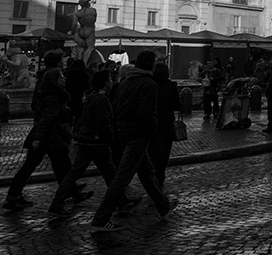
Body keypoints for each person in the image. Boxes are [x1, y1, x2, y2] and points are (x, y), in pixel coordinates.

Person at [88, 50, 177, 233]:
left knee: (146, 172)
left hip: (124, 132)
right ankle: (101, 217)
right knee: (123, 176)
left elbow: (116, 108)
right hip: (139, 134)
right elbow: (146, 113)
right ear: (151, 64)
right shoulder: (148, 84)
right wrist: (151, 129)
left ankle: (163, 205)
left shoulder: (125, 83)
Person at [3, 50, 75, 211]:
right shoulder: (54, 95)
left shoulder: (44, 85)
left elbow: (38, 108)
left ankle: (13, 196)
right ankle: (61, 200)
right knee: (62, 165)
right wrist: (39, 136)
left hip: (44, 133)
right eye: (61, 76)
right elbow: (47, 117)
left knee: (41, 166)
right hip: (49, 135)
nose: (64, 78)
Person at [47, 68, 118, 219]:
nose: (112, 82)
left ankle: (57, 202)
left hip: (87, 140)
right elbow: (102, 121)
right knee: (109, 173)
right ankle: (119, 201)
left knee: (78, 173)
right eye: (110, 79)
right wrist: (108, 136)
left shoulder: (90, 97)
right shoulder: (101, 99)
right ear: (106, 83)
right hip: (97, 141)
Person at [148, 62, 181, 189]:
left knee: (152, 151)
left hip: (153, 122)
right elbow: (177, 105)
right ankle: (160, 176)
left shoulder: (150, 84)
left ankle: (152, 176)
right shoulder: (171, 86)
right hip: (167, 123)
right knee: (165, 152)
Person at [71, 0, 98, 65]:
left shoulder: (77, 13)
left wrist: (72, 32)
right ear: (87, 4)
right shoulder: (93, 11)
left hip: (81, 31)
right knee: (90, 48)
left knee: (83, 48)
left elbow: (74, 24)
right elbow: (94, 20)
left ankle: (79, 60)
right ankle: (84, 63)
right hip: (89, 30)